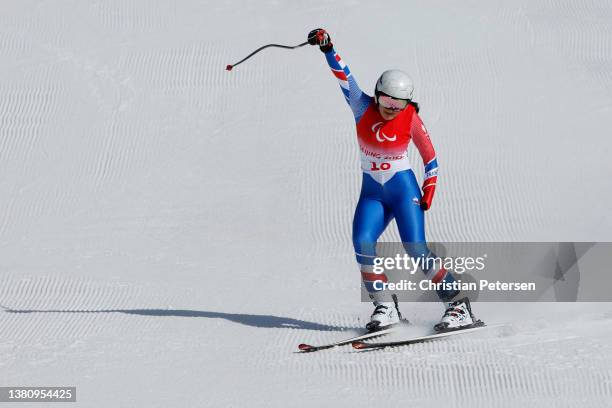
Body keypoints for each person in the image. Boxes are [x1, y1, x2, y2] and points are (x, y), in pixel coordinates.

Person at [308, 28, 480, 332]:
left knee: (415, 247)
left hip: (402, 189)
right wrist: (327, 48)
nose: (390, 108)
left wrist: (428, 192)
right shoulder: (361, 107)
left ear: (407, 103)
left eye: (398, 104)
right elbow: (344, 76)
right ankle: (385, 306)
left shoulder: (410, 118)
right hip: (372, 192)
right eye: (386, 100)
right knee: (362, 243)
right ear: (377, 94)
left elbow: (431, 159)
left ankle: (457, 304)